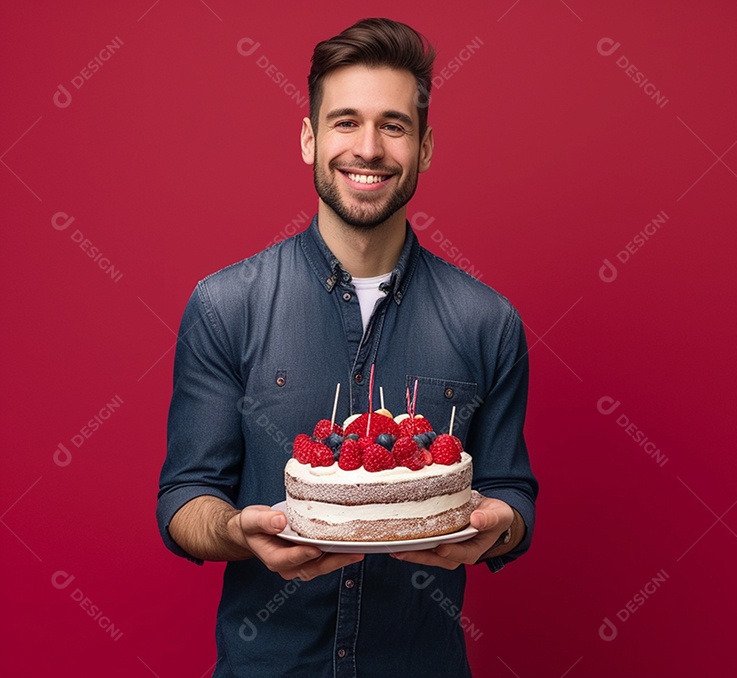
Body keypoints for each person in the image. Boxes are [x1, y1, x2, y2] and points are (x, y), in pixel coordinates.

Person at [156, 17, 538, 677]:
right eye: (344, 122)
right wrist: (237, 531)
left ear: (424, 148)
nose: (368, 148)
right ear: (308, 139)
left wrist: (498, 528)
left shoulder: (488, 320)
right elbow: (185, 496)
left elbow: (510, 492)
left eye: (394, 125)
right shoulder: (226, 305)